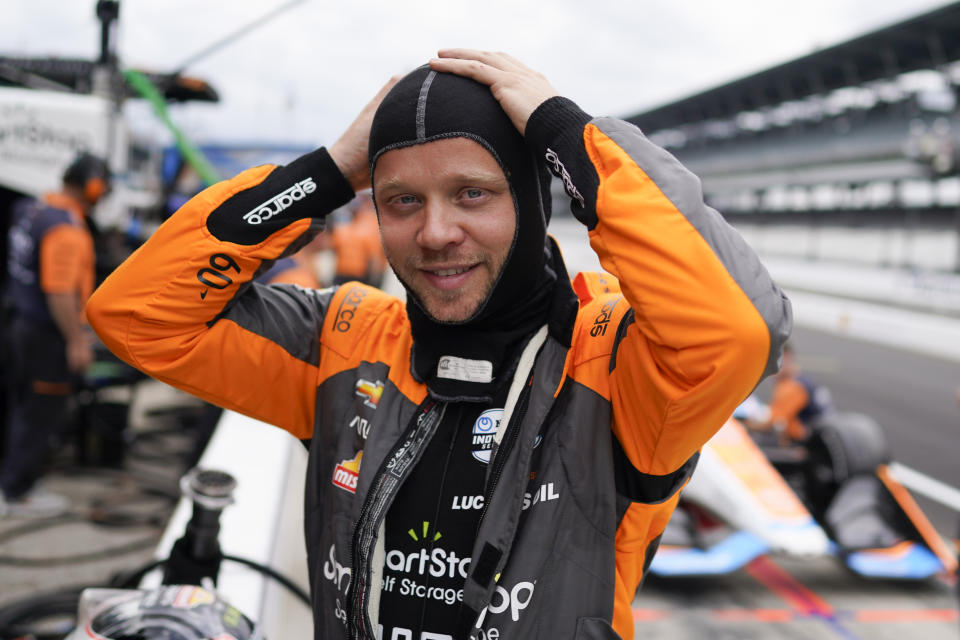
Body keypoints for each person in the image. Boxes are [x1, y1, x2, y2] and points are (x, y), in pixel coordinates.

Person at [86, 50, 791, 640]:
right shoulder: (345, 341)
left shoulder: (614, 362)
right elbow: (136, 313)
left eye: (473, 194)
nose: (435, 233)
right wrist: (326, 172)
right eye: (402, 201)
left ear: (531, 196)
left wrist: (567, 134)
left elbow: (738, 330)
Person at [2, 152, 110, 517]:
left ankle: (12, 480)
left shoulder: (31, 209)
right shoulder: (66, 229)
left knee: (19, 406)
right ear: (93, 188)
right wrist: (76, 340)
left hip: (20, 325)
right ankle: (17, 491)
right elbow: (59, 292)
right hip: (47, 336)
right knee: (40, 413)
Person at [750, 342, 833, 444]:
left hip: (812, 444)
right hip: (823, 436)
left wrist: (743, 424)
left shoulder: (792, 388)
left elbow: (770, 424)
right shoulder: (802, 380)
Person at [330, 191, 387, 287]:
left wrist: (374, 279)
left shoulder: (368, 224)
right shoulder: (345, 227)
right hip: (345, 273)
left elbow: (375, 257)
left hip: (360, 274)